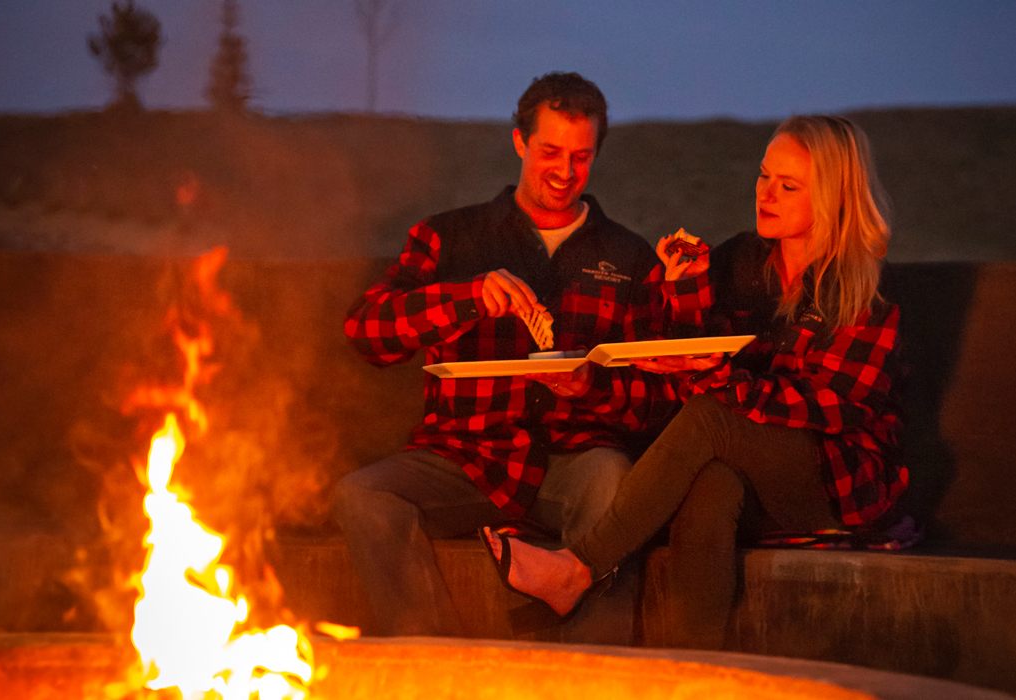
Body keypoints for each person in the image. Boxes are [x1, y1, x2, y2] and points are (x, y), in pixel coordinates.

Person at [483, 115, 908, 650]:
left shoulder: (865, 290)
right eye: (763, 176)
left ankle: (577, 569)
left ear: (834, 196)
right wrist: (683, 291)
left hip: (837, 474)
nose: (766, 194)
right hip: (748, 459)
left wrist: (719, 379)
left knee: (712, 420)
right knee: (710, 487)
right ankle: (697, 666)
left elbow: (835, 407)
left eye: (788, 185)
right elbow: (692, 361)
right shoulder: (743, 261)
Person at [335, 72, 674, 641]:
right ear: (519, 142)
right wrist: (464, 298)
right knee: (363, 494)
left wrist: (592, 386)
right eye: (550, 152)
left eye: (581, 157)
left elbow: (663, 400)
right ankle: (436, 666)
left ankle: (592, 679)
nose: (565, 172)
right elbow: (365, 334)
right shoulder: (449, 239)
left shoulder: (630, 257)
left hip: (575, 459)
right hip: (464, 454)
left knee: (614, 482)